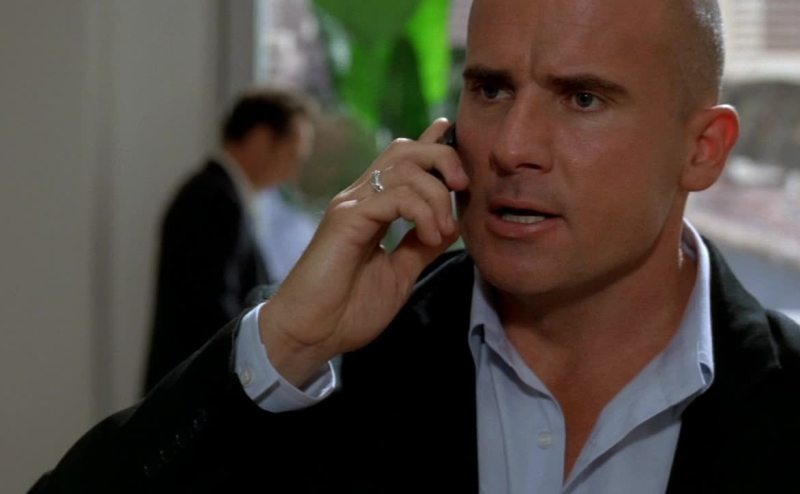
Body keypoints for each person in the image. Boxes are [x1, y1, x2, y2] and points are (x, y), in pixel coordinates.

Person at [32, 0, 800, 492]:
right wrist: (286, 342)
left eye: (582, 97)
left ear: (702, 149)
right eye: (490, 89)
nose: (512, 146)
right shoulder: (335, 366)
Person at [142, 88, 316, 393]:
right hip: (192, 395)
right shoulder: (213, 200)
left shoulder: (219, 196)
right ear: (261, 139)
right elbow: (212, 315)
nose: (292, 172)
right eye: (292, 155)